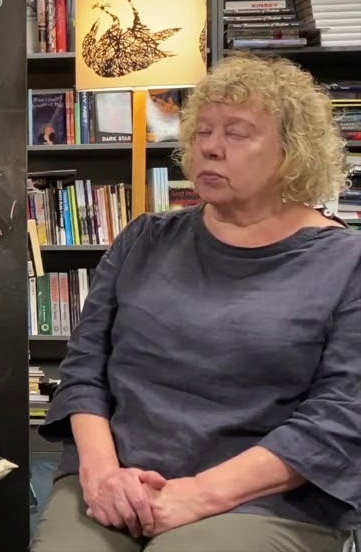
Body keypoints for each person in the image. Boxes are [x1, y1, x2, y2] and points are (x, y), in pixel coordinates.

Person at [32, 53, 361, 552]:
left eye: (236, 132)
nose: (210, 147)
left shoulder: (345, 263)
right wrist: (102, 476)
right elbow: (83, 372)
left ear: (293, 151)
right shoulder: (143, 238)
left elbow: (340, 419)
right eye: (202, 131)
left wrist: (198, 497)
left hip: (263, 499)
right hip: (117, 478)